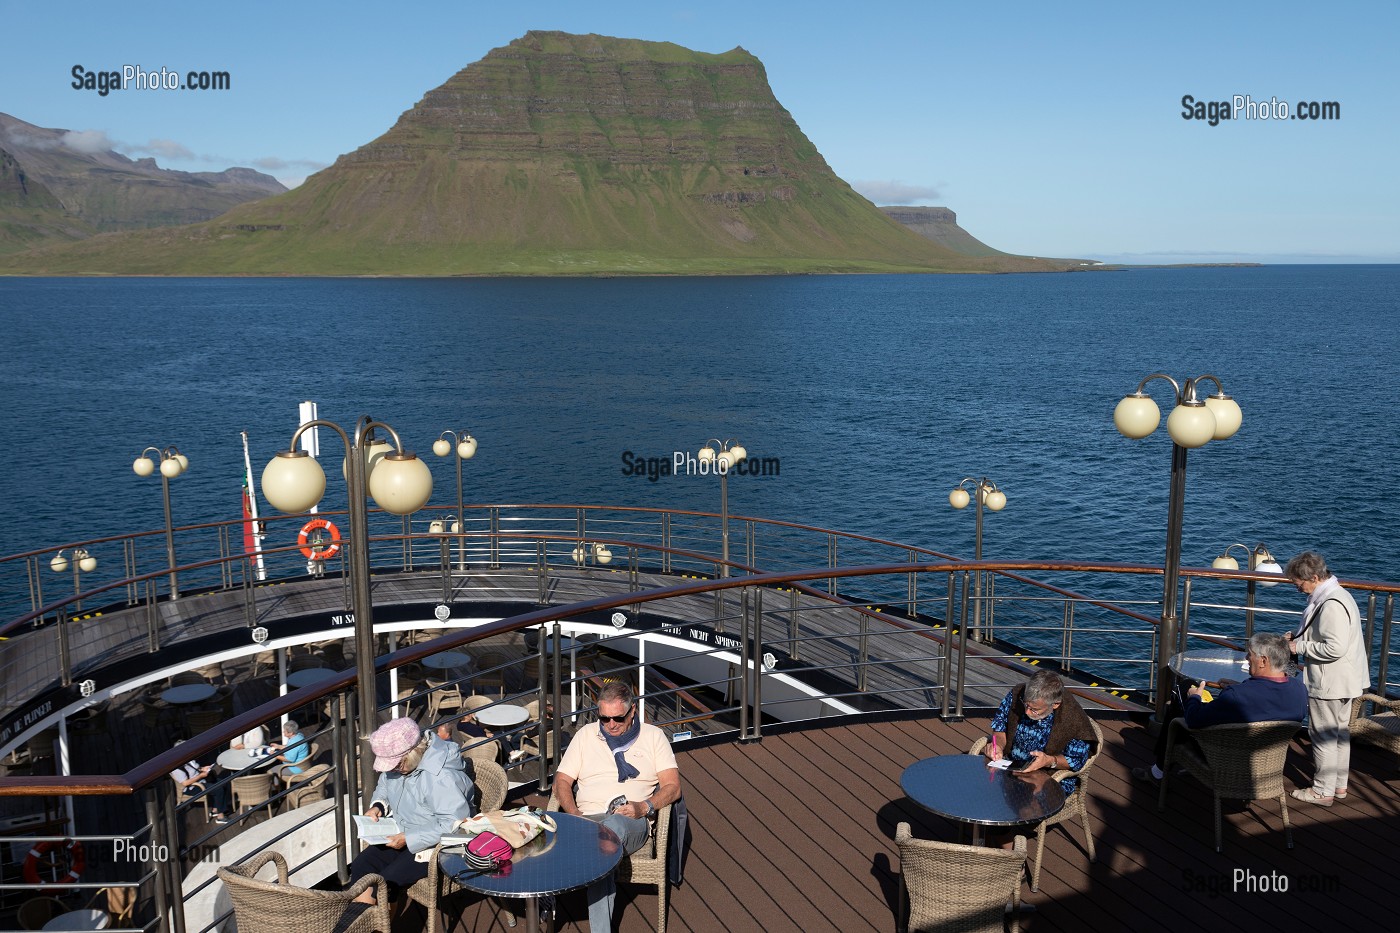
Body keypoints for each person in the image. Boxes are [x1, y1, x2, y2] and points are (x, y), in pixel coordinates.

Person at [553, 681, 681, 933]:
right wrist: (575, 815)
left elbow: (673, 787)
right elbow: (562, 781)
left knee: (608, 832)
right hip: (586, 819)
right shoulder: (585, 736)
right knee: (601, 844)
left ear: (632, 711)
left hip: (629, 819)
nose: (611, 724)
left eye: (618, 718)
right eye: (604, 718)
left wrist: (644, 807)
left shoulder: (653, 737)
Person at [1131, 632, 1307, 783]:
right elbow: (1266, 699)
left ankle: (1159, 771)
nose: (1246, 658)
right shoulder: (1300, 691)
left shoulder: (1236, 696)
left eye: (1250, 654)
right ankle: (1159, 769)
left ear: (1263, 661)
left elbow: (1194, 721)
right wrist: (1239, 685)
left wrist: (1195, 697)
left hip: (1224, 758)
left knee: (1182, 692)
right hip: (1267, 763)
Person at [350, 718, 475, 907]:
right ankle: (365, 920)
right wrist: (378, 806)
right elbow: (385, 783)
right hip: (404, 829)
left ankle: (379, 923)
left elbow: (455, 823)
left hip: (438, 844)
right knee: (361, 866)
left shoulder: (440, 777)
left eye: (395, 765)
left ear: (414, 753)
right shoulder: (402, 764)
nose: (392, 769)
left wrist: (409, 837)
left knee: (386, 883)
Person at [1285, 551, 1371, 806]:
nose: (1297, 587)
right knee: (1339, 735)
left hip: (1330, 683)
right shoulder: (1340, 595)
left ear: (1313, 577)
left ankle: (1322, 791)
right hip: (1347, 680)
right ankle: (1339, 785)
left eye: (1299, 582)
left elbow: (1334, 647)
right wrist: (1301, 637)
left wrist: (1299, 648)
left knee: (1323, 736)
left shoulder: (1331, 605)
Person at [982, 671, 1095, 793]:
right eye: (1025, 704)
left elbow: (1075, 760)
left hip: (1050, 777)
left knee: (1028, 806)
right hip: (1010, 765)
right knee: (980, 789)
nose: (1026, 712)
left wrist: (1048, 761)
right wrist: (998, 745)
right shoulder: (1017, 694)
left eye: (1034, 710)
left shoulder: (1074, 719)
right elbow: (1000, 725)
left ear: (1055, 704)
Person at [169, 740, 232, 824]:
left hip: (201, 780)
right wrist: (200, 776)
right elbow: (185, 783)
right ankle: (220, 817)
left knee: (223, 782)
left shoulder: (187, 758)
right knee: (218, 789)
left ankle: (216, 809)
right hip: (192, 787)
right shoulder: (177, 767)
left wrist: (202, 769)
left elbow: (194, 769)